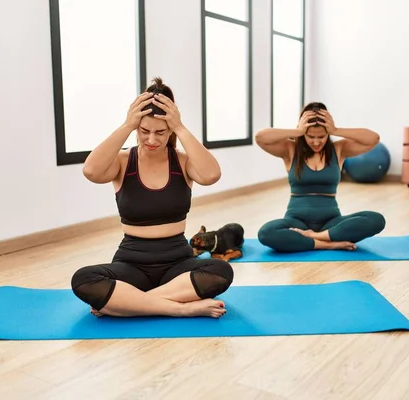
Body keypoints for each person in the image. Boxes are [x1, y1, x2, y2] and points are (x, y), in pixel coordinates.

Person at [71, 77, 233, 319]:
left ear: (170, 130)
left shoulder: (183, 161)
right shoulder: (124, 161)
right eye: (144, 131)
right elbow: (91, 171)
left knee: (221, 271)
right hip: (131, 263)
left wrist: (180, 127)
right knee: (83, 279)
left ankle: (130, 303)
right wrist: (127, 125)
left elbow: (211, 175)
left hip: (178, 262)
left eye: (161, 132)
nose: (152, 140)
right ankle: (179, 307)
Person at [255, 102, 386, 252]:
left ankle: (314, 237)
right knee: (266, 233)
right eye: (310, 136)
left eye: (322, 137)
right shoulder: (290, 149)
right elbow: (260, 138)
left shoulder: (339, 150)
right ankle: (328, 243)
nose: (316, 142)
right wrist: (297, 131)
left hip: (331, 223)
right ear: (303, 132)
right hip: (296, 222)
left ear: (328, 134)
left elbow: (373, 139)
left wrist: (336, 130)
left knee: (376, 220)